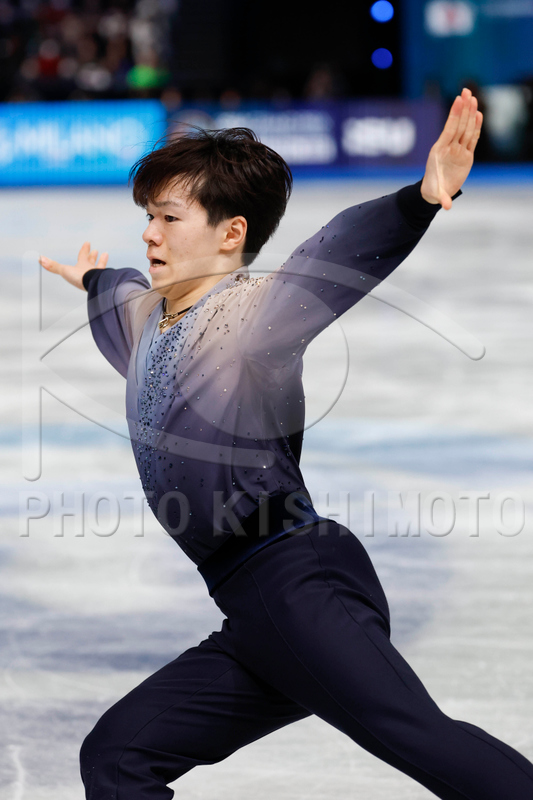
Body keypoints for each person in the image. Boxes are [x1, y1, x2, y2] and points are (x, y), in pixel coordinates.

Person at [39, 88, 533, 799]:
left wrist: (419, 200)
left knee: (418, 738)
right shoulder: (147, 320)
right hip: (252, 607)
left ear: (230, 233)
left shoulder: (252, 317)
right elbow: (116, 291)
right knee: (119, 755)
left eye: (169, 218)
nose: (149, 234)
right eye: (148, 216)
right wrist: (88, 276)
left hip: (297, 582)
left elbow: (329, 254)